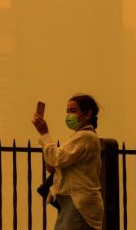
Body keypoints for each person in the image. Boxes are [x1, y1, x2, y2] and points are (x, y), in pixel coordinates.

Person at [31, 94, 103, 230]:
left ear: (87, 114)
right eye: (67, 111)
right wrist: (53, 163)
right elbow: (59, 162)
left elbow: (58, 158)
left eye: (73, 111)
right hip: (71, 202)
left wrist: (44, 133)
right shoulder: (79, 137)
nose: (69, 115)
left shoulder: (86, 136)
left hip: (78, 203)